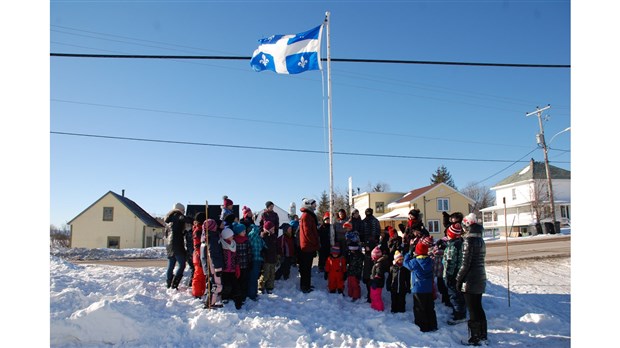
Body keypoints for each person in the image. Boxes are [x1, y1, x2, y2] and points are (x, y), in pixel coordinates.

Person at [457, 213, 488, 346]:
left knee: (473, 309)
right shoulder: (481, 240)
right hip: (480, 276)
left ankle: (475, 338)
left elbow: (465, 264)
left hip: (470, 279)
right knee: (478, 307)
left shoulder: (468, 241)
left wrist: (458, 280)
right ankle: (482, 335)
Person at [404, 240, 438, 332]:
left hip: (418, 289)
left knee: (419, 308)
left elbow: (405, 263)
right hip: (428, 288)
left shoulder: (414, 262)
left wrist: (409, 252)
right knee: (430, 307)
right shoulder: (430, 261)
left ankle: (422, 326)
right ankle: (433, 325)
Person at [444, 223, 467, 324]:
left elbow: (450, 262)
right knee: (459, 294)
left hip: (452, 275)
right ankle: (460, 312)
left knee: (454, 295)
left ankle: (459, 315)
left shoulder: (452, 247)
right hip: (460, 273)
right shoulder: (461, 243)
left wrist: (448, 275)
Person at [298, 197, 319, 293]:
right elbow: (307, 232)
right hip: (307, 247)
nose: (316, 206)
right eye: (314, 204)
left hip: (308, 246)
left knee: (307, 267)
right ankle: (304, 286)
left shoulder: (309, 215)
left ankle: (306, 285)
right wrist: (315, 242)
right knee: (305, 267)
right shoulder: (306, 216)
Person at [165, 203, 188, 290]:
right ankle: (174, 284)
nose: (184, 212)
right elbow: (184, 219)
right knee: (182, 264)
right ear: (180, 210)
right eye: (183, 211)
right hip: (177, 244)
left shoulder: (168, 218)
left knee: (171, 264)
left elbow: (167, 233)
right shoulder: (177, 215)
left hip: (169, 244)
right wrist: (193, 220)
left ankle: (169, 282)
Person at [202, 218, 224, 308]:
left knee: (211, 284)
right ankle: (210, 303)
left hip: (209, 266)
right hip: (214, 266)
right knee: (217, 285)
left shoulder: (205, 237)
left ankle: (208, 301)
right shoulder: (212, 238)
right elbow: (214, 254)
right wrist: (218, 267)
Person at [233, 222, 251, 309]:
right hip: (237, 266)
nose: (244, 232)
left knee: (244, 281)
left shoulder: (246, 240)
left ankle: (243, 297)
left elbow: (249, 252)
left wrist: (250, 261)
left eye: (245, 231)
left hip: (245, 265)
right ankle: (238, 297)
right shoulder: (235, 241)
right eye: (243, 231)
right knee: (238, 282)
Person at [247, 223, 266, 301]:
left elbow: (264, 246)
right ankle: (252, 294)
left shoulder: (257, 237)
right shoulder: (253, 236)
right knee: (253, 278)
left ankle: (254, 293)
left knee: (254, 278)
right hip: (254, 260)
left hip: (258, 260)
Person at [219, 225, 238, 305]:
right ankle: (225, 297)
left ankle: (232, 296)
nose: (233, 237)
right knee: (226, 284)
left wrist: (237, 265)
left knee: (233, 283)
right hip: (225, 268)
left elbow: (236, 256)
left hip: (232, 267)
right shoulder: (222, 244)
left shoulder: (233, 244)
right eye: (231, 236)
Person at [431, 238, 451, 308]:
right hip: (442, 273)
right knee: (443, 287)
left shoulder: (439, 253)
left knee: (443, 288)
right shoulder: (444, 252)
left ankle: (446, 301)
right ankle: (445, 300)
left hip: (441, 273)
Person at [258, 220, 278, 294]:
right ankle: (261, 286)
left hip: (273, 258)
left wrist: (277, 256)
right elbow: (263, 249)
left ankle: (270, 286)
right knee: (265, 274)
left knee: (272, 274)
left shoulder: (274, 237)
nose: (273, 230)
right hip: (266, 259)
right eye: (271, 229)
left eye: (273, 229)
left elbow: (275, 247)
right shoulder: (264, 237)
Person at [191, 212, 207, 298]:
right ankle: (196, 293)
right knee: (198, 275)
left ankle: (202, 291)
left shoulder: (202, 229)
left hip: (201, 256)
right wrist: (202, 257)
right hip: (199, 256)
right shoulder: (198, 231)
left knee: (203, 275)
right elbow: (197, 246)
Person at [345, 233, 364, 302]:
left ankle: (356, 296)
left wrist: (358, 274)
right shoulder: (350, 254)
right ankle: (350, 295)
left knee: (355, 285)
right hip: (350, 272)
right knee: (350, 284)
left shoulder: (358, 256)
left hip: (355, 273)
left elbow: (360, 266)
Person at [369, 246, 388, 311]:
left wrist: (375, 281)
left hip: (377, 283)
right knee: (373, 296)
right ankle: (374, 307)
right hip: (374, 282)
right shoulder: (377, 263)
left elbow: (379, 274)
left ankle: (379, 308)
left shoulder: (379, 264)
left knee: (376, 296)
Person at [184, 218, 195, 287]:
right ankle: (191, 283)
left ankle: (191, 283)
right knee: (193, 269)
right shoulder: (190, 233)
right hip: (191, 253)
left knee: (193, 269)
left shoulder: (188, 232)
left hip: (189, 252)